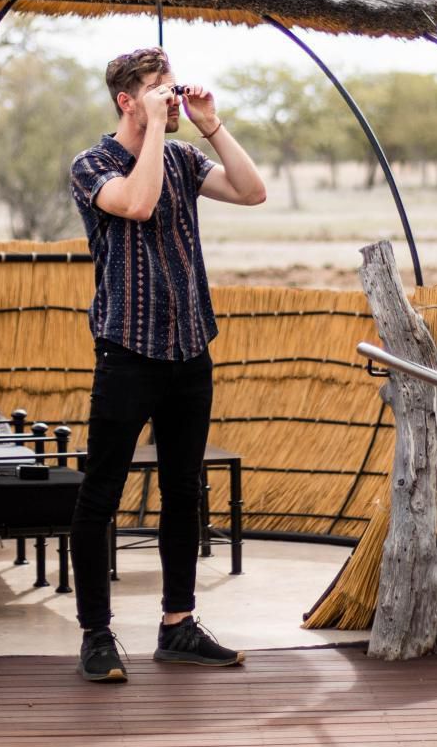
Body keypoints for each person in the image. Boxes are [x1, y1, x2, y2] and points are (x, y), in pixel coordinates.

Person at [66, 46, 267, 683]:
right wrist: (154, 128)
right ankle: (96, 634)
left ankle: (177, 625)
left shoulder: (182, 155)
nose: (171, 99)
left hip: (189, 351)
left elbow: (252, 191)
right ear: (126, 100)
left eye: (172, 88)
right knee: (101, 492)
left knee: (185, 490)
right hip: (126, 350)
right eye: (158, 90)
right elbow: (137, 204)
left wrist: (210, 124)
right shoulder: (93, 163)